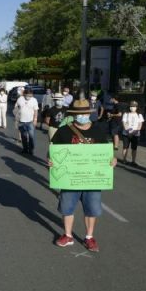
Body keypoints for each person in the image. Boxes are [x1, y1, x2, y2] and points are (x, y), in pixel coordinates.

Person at [51, 98, 118, 252]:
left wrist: (112, 161)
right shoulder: (64, 130)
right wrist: (51, 161)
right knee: (67, 208)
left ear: (89, 113)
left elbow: (106, 153)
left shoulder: (98, 130)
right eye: (78, 114)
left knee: (91, 209)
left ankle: (89, 237)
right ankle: (68, 235)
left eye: (85, 113)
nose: (82, 116)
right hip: (70, 179)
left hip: (92, 179)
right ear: (73, 115)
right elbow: (53, 151)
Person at [14, 88, 39, 154]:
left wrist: (35, 120)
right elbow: (16, 108)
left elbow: (36, 110)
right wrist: (16, 119)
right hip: (21, 121)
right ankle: (25, 149)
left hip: (30, 121)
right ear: (24, 94)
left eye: (31, 95)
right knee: (23, 137)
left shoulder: (34, 100)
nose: (29, 97)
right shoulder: (20, 99)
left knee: (31, 137)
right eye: (28, 95)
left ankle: (31, 150)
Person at [121, 101, 144, 166]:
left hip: (135, 134)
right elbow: (124, 123)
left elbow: (140, 124)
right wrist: (128, 131)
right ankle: (124, 159)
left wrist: (135, 132)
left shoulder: (139, 115)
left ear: (136, 107)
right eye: (131, 106)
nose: (132, 108)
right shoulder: (126, 114)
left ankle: (133, 161)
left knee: (134, 148)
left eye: (134, 106)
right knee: (125, 147)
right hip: (126, 134)